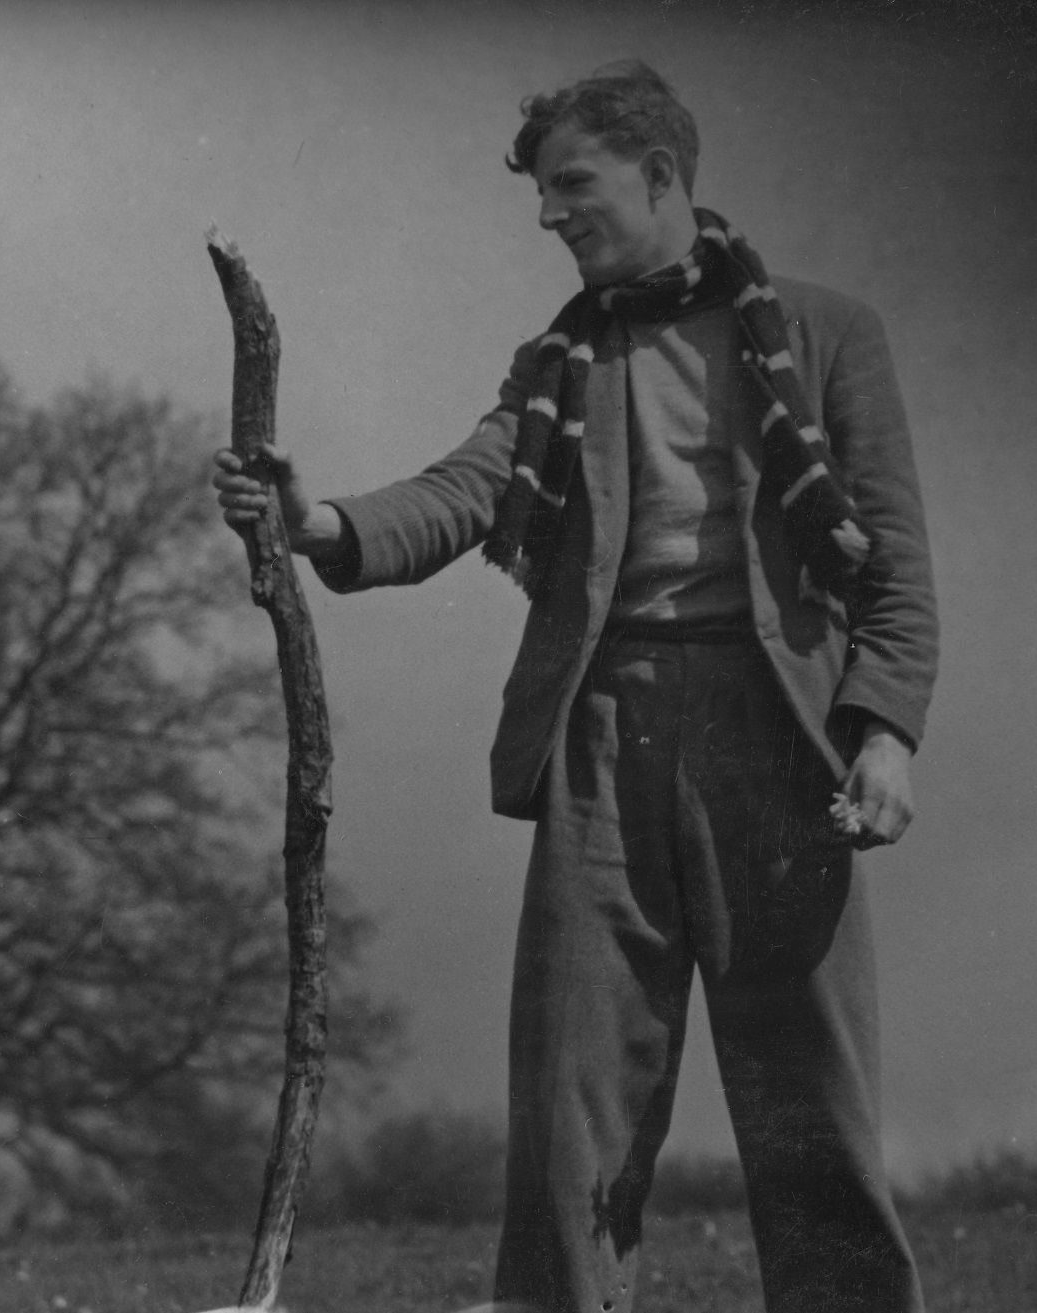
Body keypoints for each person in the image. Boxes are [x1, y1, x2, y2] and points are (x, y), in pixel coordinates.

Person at [214, 60, 937, 1313]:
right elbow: (467, 487)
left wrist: (883, 733)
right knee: (571, 1110)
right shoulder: (560, 359)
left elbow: (895, 564)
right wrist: (314, 518)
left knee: (810, 1107)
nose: (549, 215)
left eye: (571, 184)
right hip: (599, 741)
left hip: (784, 743)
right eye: (543, 193)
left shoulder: (827, 332)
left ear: (657, 174)